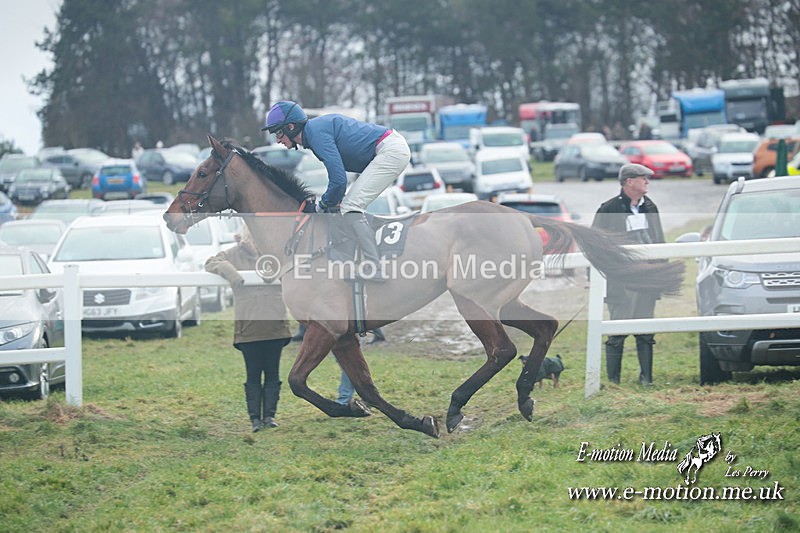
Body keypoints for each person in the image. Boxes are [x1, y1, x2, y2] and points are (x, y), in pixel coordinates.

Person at [261, 101, 411, 282]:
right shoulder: (313, 134)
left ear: (291, 127)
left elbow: (339, 181)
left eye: (278, 132)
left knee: (351, 206)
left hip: (390, 151)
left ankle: (374, 267)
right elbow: (339, 182)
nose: (277, 139)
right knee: (346, 206)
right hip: (389, 148)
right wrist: (328, 203)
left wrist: (322, 205)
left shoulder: (315, 134)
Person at [205, 228, 292, 432]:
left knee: (273, 373)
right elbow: (211, 262)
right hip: (249, 327)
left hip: (275, 324)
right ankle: (254, 418)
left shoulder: (274, 251)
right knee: (253, 374)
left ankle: (269, 416)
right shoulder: (232, 254)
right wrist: (233, 276)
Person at [591, 163, 665, 386]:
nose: (647, 182)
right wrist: (595, 278)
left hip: (647, 278)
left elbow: (660, 241)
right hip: (620, 281)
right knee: (617, 332)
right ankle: (614, 382)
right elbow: (594, 244)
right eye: (643, 178)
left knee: (645, 332)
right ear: (629, 182)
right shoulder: (608, 209)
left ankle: (647, 379)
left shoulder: (651, 207)